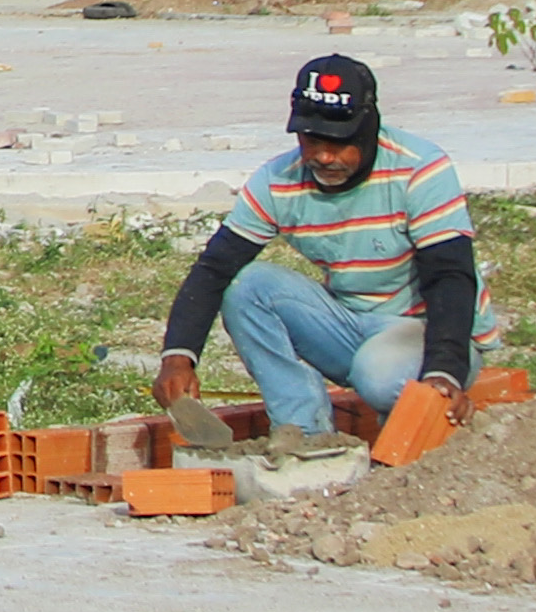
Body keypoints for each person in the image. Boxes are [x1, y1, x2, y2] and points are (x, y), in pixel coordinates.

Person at [152, 51, 480, 445]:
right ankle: (306, 434)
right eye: (312, 140)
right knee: (247, 286)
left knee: (378, 376)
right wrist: (178, 357)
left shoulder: (419, 169)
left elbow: (451, 278)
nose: (324, 156)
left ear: (369, 128)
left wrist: (445, 370)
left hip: (424, 333)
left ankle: (408, 434)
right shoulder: (279, 181)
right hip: (349, 325)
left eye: (340, 143)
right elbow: (213, 270)